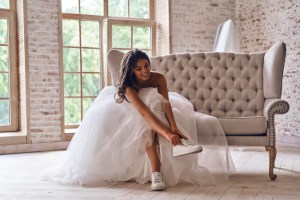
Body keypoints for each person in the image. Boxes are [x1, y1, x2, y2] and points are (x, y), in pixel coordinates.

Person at [43, 49, 233, 191]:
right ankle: (156, 173)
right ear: (131, 71)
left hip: (155, 107)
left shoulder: (158, 78)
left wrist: (174, 127)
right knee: (146, 125)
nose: (145, 71)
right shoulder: (128, 86)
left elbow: (166, 103)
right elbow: (144, 114)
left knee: (157, 107)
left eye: (147, 66)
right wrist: (166, 133)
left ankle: (179, 143)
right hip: (130, 110)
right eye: (139, 69)